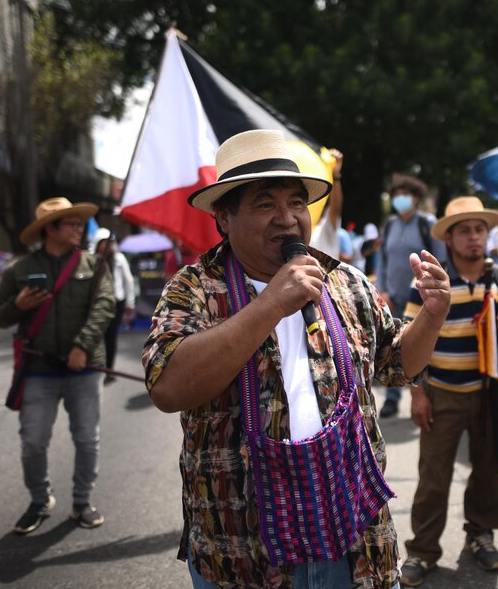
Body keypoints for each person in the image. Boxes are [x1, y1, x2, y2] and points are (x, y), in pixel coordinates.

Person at [142, 129, 450, 589]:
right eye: (265, 204)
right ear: (223, 217)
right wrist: (270, 304)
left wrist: (432, 315)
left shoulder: (344, 281)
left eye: (296, 203)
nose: (286, 219)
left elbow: (398, 363)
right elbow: (168, 388)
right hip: (243, 553)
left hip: (356, 542)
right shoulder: (193, 288)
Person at [400, 196, 498, 587]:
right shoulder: (428, 283)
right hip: (441, 393)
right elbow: (407, 339)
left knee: (492, 471)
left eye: (479, 229)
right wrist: (418, 394)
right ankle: (423, 550)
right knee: (433, 477)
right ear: (450, 239)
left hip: (493, 395)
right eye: (464, 231)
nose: (473, 237)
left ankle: (480, 534)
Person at [0, 197, 115, 535]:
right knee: (33, 441)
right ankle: (40, 499)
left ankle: (82, 502)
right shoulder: (18, 270)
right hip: (38, 369)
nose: (79, 228)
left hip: (84, 367)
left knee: (87, 439)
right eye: (72, 223)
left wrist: (82, 346)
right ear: (50, 229)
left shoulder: (94, 264)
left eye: (79, 223)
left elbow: (105, 306)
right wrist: (18, 305)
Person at [375, 173, 446, 418]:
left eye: (405, 194)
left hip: (422, 299)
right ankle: (392, 399)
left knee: (422, 345)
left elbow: (440, 260)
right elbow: (383, 261)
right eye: (396, 195)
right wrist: (382, 289)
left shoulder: (427, 223)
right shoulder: (390, 225)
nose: (400, 199)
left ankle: (425, 395)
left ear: (416, 198)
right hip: (394, 298)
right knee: (392, 348)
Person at [93, 228, 136, 383]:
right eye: (103, 243)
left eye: (109, 242)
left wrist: (130, 303)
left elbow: (128, 280)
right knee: (96, 336)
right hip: (97, 303)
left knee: (110, 338)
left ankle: (109, 370)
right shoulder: (92, 260)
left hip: (116, 302)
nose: (106, 246)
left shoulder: (118, 259)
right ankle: (97, 368)